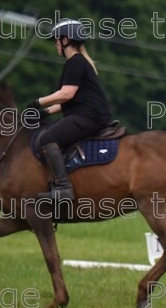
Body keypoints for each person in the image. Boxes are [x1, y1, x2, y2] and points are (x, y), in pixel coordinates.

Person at [27, 18, 113, 203]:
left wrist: (37, 102)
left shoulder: (75, 62)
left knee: (47, 138)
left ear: (65, 40)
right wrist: (45, 113)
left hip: (88, 118)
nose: (55, 45)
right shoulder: (79, 62)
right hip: (86, 115)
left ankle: (64, 188)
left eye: (56, 40)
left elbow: (66, 94)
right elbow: (70, 100)